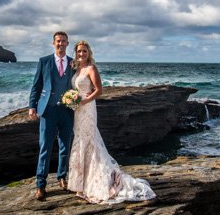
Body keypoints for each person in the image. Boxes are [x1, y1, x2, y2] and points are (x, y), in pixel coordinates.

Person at [66, 40, 155, 204]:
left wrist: (84, 101)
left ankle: (94, 182)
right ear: (76, 52)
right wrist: (72, 100)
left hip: (87, 108)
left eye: (84, 51)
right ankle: (80, 183)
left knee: (90, 140)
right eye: (79, 51)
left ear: (89, 53)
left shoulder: (91, 68)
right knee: (80, 141)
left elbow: (99, 90)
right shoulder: (75, 68)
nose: (81, 54)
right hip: (77, 110)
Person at [27, 31, 75, 201]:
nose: (60, 44)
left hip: (67, 110)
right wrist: (32, 106)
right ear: (53, 43)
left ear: (68, 44)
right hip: (48, 109)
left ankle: (62, 177)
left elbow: (76, 85)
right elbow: (36, 86)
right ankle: (41, 184)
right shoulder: (44, 61)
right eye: (58, 41)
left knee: (64, 145)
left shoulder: (72, 63)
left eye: (63, 41)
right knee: (45, 147)